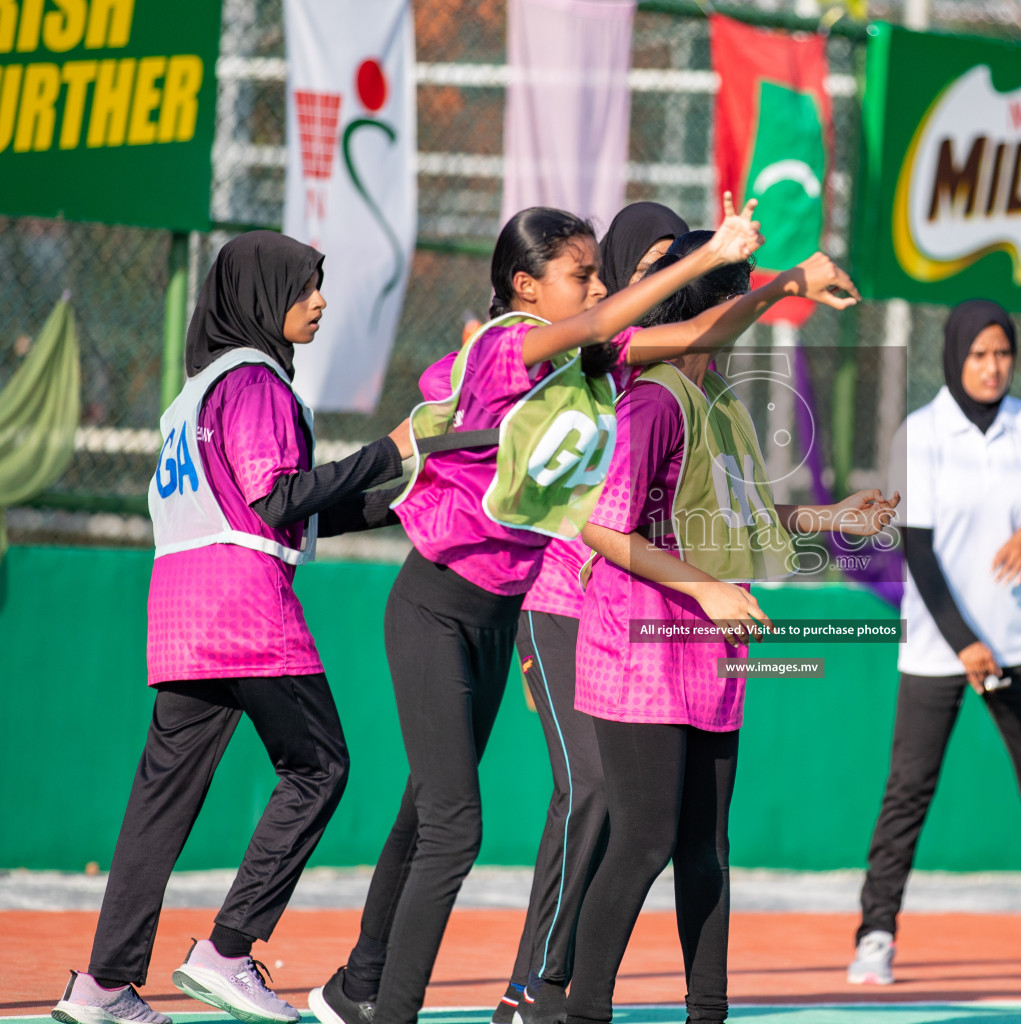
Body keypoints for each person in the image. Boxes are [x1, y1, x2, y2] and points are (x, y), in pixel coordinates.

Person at [308, 200, 854, 1024]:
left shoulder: (622, 366)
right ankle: (531, 989)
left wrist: (786, 282)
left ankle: (368, 978)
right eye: (606, 274)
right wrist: (708, 263)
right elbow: (625, 330)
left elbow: (698, 334)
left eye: (618, 276)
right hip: (547, 596)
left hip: (515, 592)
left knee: (441, 804)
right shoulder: (532, 347)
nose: (613, 290)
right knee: (571, 797)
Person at [489, 210, 863, 1024]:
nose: (739, 321)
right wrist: (707, 589)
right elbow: (600, 524)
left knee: (707, 852)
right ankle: (568, 1004)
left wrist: (836, 516)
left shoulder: (718, 400)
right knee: (640, 838)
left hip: (710, 660)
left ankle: (707, 1011)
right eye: (732, 302)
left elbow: (749, 521)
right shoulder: (651, 401)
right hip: (640, 655)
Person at [51, 232, 411, 1024]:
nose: (320, 300)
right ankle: (227, 948)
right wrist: (393, 448)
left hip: (181, 607)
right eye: (306, 286)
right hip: (244, 606)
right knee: (320, 767)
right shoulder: (255, 382)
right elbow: (278, 497)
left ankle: (103, 985)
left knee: (161, 801)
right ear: (261, 295)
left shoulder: (195, 394)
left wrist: (403, 491)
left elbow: (269, 507)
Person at [846, 300, 1021, 990]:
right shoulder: (920, 434)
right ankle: (875, 935)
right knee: (908, 792)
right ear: (954, 356)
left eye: (1002, 353)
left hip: (1019, 641)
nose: (992, 366)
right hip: (938, 644)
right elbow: (915, 550)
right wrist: (964, 642)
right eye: (979, 354)